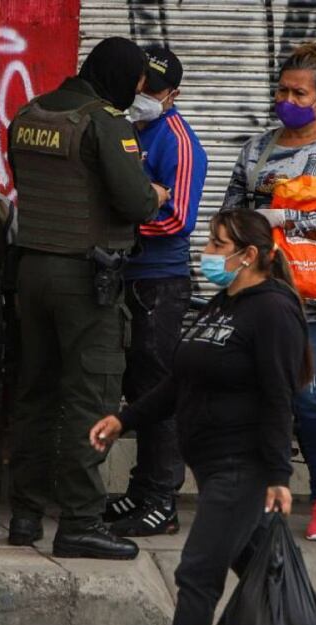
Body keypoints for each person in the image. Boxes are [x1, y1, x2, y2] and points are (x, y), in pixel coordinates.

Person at [90, 209, 308, 625]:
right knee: (271, 577)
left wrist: (280, 475)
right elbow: (179, 382)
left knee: (197, 575)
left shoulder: (273, 310)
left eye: (217, 244)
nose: (206, 251)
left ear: (248, 255)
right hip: (211, 467)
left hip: (240, 467)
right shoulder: (223, 304)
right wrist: (124, 420)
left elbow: (279, 395)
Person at [6, 36, 166, 560]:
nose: (139, 91)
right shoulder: (104, 122)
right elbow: (135, 201)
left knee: (34, 392)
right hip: (85, 277)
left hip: (31, 271)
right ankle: (79, 521)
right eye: (139, 80)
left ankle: (25, 514)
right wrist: (155, 194)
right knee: (89, 397)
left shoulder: (29, 113)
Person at [222, 42, 316, 541]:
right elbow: (230, 215)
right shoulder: (256, 149)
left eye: (299, 93)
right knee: (253, 395)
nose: (287, 100)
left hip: (314, 296)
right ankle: (255, 495)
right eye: (282, 90)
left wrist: (281, 215)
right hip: (258, 293)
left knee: (312, 398)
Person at [103, 46, 208, 537]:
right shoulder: (124, 127)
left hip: (159, 282)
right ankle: (141, 490)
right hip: (125, 275)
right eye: (139, 84)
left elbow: (178, 218)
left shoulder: (178, 141)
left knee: (157, 390)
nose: (143, 94)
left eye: (154, 89)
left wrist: (118, 229)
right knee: (135, 390)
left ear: (173, 95)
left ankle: (162, 500)